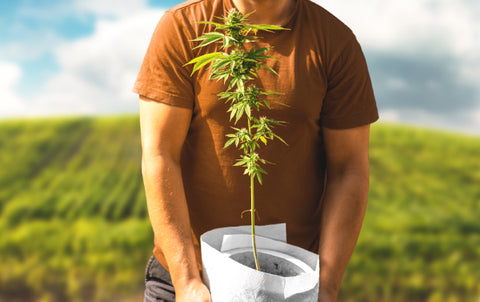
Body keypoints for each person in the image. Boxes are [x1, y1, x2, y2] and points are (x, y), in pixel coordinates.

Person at [134, 0, 379, 301]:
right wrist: (186, 282)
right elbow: (160, 155)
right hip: (187, 277)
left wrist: (326, 287)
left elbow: (349, 170)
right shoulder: (184, 27)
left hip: (291, 283)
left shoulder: (334, 42)